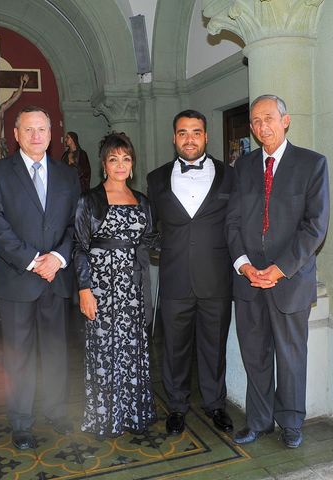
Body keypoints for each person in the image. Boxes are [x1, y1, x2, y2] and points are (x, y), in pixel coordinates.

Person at [226, 94, 329, 448]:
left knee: (290, 356)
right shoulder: (243, 167)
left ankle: (291, 423)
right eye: (255, 121)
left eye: (268, 118)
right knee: (254, 353)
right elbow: (233, 222)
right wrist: (244, 266)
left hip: (290, 281)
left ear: (285, 121)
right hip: (249, 280)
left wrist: (279, 269)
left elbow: (315, 227)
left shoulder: (312, 164)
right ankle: (258, 421)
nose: (261, 126)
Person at [0, 105, 81, 450]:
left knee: (55, 351)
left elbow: (75, 226)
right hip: (17, 280)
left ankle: (55, 410)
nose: (36, 135)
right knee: (18, 355)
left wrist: (57, 257)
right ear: (16, 134)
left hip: (57, 278)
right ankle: (21, 422)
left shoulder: (68, 176)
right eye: (29, 130)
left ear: (51, 135)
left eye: (42, 129)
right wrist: (32, 260)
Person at [146, 110, 234, 436]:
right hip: (175, 280)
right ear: (174, 138)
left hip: (216, 279)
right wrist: (162, 245)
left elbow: (236, 225)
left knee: (214, 348)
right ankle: (177, 407)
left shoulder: (229, 176)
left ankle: (215, 405)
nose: (189, 138)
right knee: (174, 349)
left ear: (206, 136)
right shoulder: (155, 179)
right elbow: (150, 224)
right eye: (182, 132)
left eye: (196, 132)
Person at [74, 132, 158, 439]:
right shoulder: (90, 200)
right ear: (104, 164)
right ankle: (106, 418)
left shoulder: (143, 201)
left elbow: (150, 241)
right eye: (114, 159)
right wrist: (85, 290)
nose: (120, 165)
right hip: (101, 291)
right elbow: (80, 247)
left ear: (132, 164)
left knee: (132, 351)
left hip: (133, 291)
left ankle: (133, 415)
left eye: (126, 159)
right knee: (105, 353)